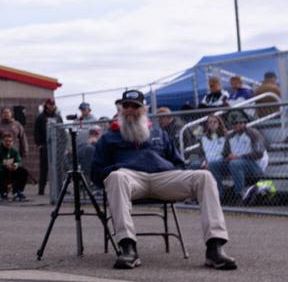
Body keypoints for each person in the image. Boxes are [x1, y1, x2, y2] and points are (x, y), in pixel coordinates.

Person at [90, 89, 236, 270]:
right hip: (130, 179)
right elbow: (96, 173)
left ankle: (215, 248)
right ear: (120, 109)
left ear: (144, 109)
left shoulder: (159, 133)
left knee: (204, 176)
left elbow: (178, 163)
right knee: (116, 177)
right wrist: (117, 170)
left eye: (135, 106)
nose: (130, 110)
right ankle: (128, 247)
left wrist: (171, 172)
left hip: (163, 178)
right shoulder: (108, 137)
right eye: (125, 106)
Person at [222, 110, 267, 200]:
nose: (238, 125)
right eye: (235, 123)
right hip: (236, 164)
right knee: (214, 164)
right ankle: (219, 195)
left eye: (241, 122)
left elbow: (259, 154)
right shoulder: (230, 136)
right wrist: (227, 157)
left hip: (256, 167)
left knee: (235, 163)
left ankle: (240, 195)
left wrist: (239, 157)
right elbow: (225, 153)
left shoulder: (254, 133)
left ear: (245, 123)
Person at [193, 114, 228, 194]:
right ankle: (196, 194)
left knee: (213, 165)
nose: (212, 124)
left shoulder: (226, 136)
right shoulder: (204, 137)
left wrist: (210, 163)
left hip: (221, 161)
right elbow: (201, 153)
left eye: (215, 122)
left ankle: (219, 194)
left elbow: (226, 153)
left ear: (219, 123)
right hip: (208, 161)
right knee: (194, 165)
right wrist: (204, 161)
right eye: (210, 122)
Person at [32, 98, 59, 196]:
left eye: (52, 104)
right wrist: (39, 144)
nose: (51, 106)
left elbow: (61, 130)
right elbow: (36, 132)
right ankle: (41, 190)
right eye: (49, 104)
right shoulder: (40, 117)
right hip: (45, 146)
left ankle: (58, 189)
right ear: (46, 105)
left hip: (56, 146)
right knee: (44, 168)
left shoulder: (57, 117)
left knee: (57, 168)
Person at [0, 132, 28, 201]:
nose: (8, 143)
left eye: (10, 141)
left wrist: (16, 165)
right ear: (2, 141)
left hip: (12, 170)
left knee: (23, 172)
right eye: (6, 141)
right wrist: (5, 165)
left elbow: (18, 160)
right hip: (2, 170)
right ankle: (3, 192)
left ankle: (17, 191)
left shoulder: (14, 150)